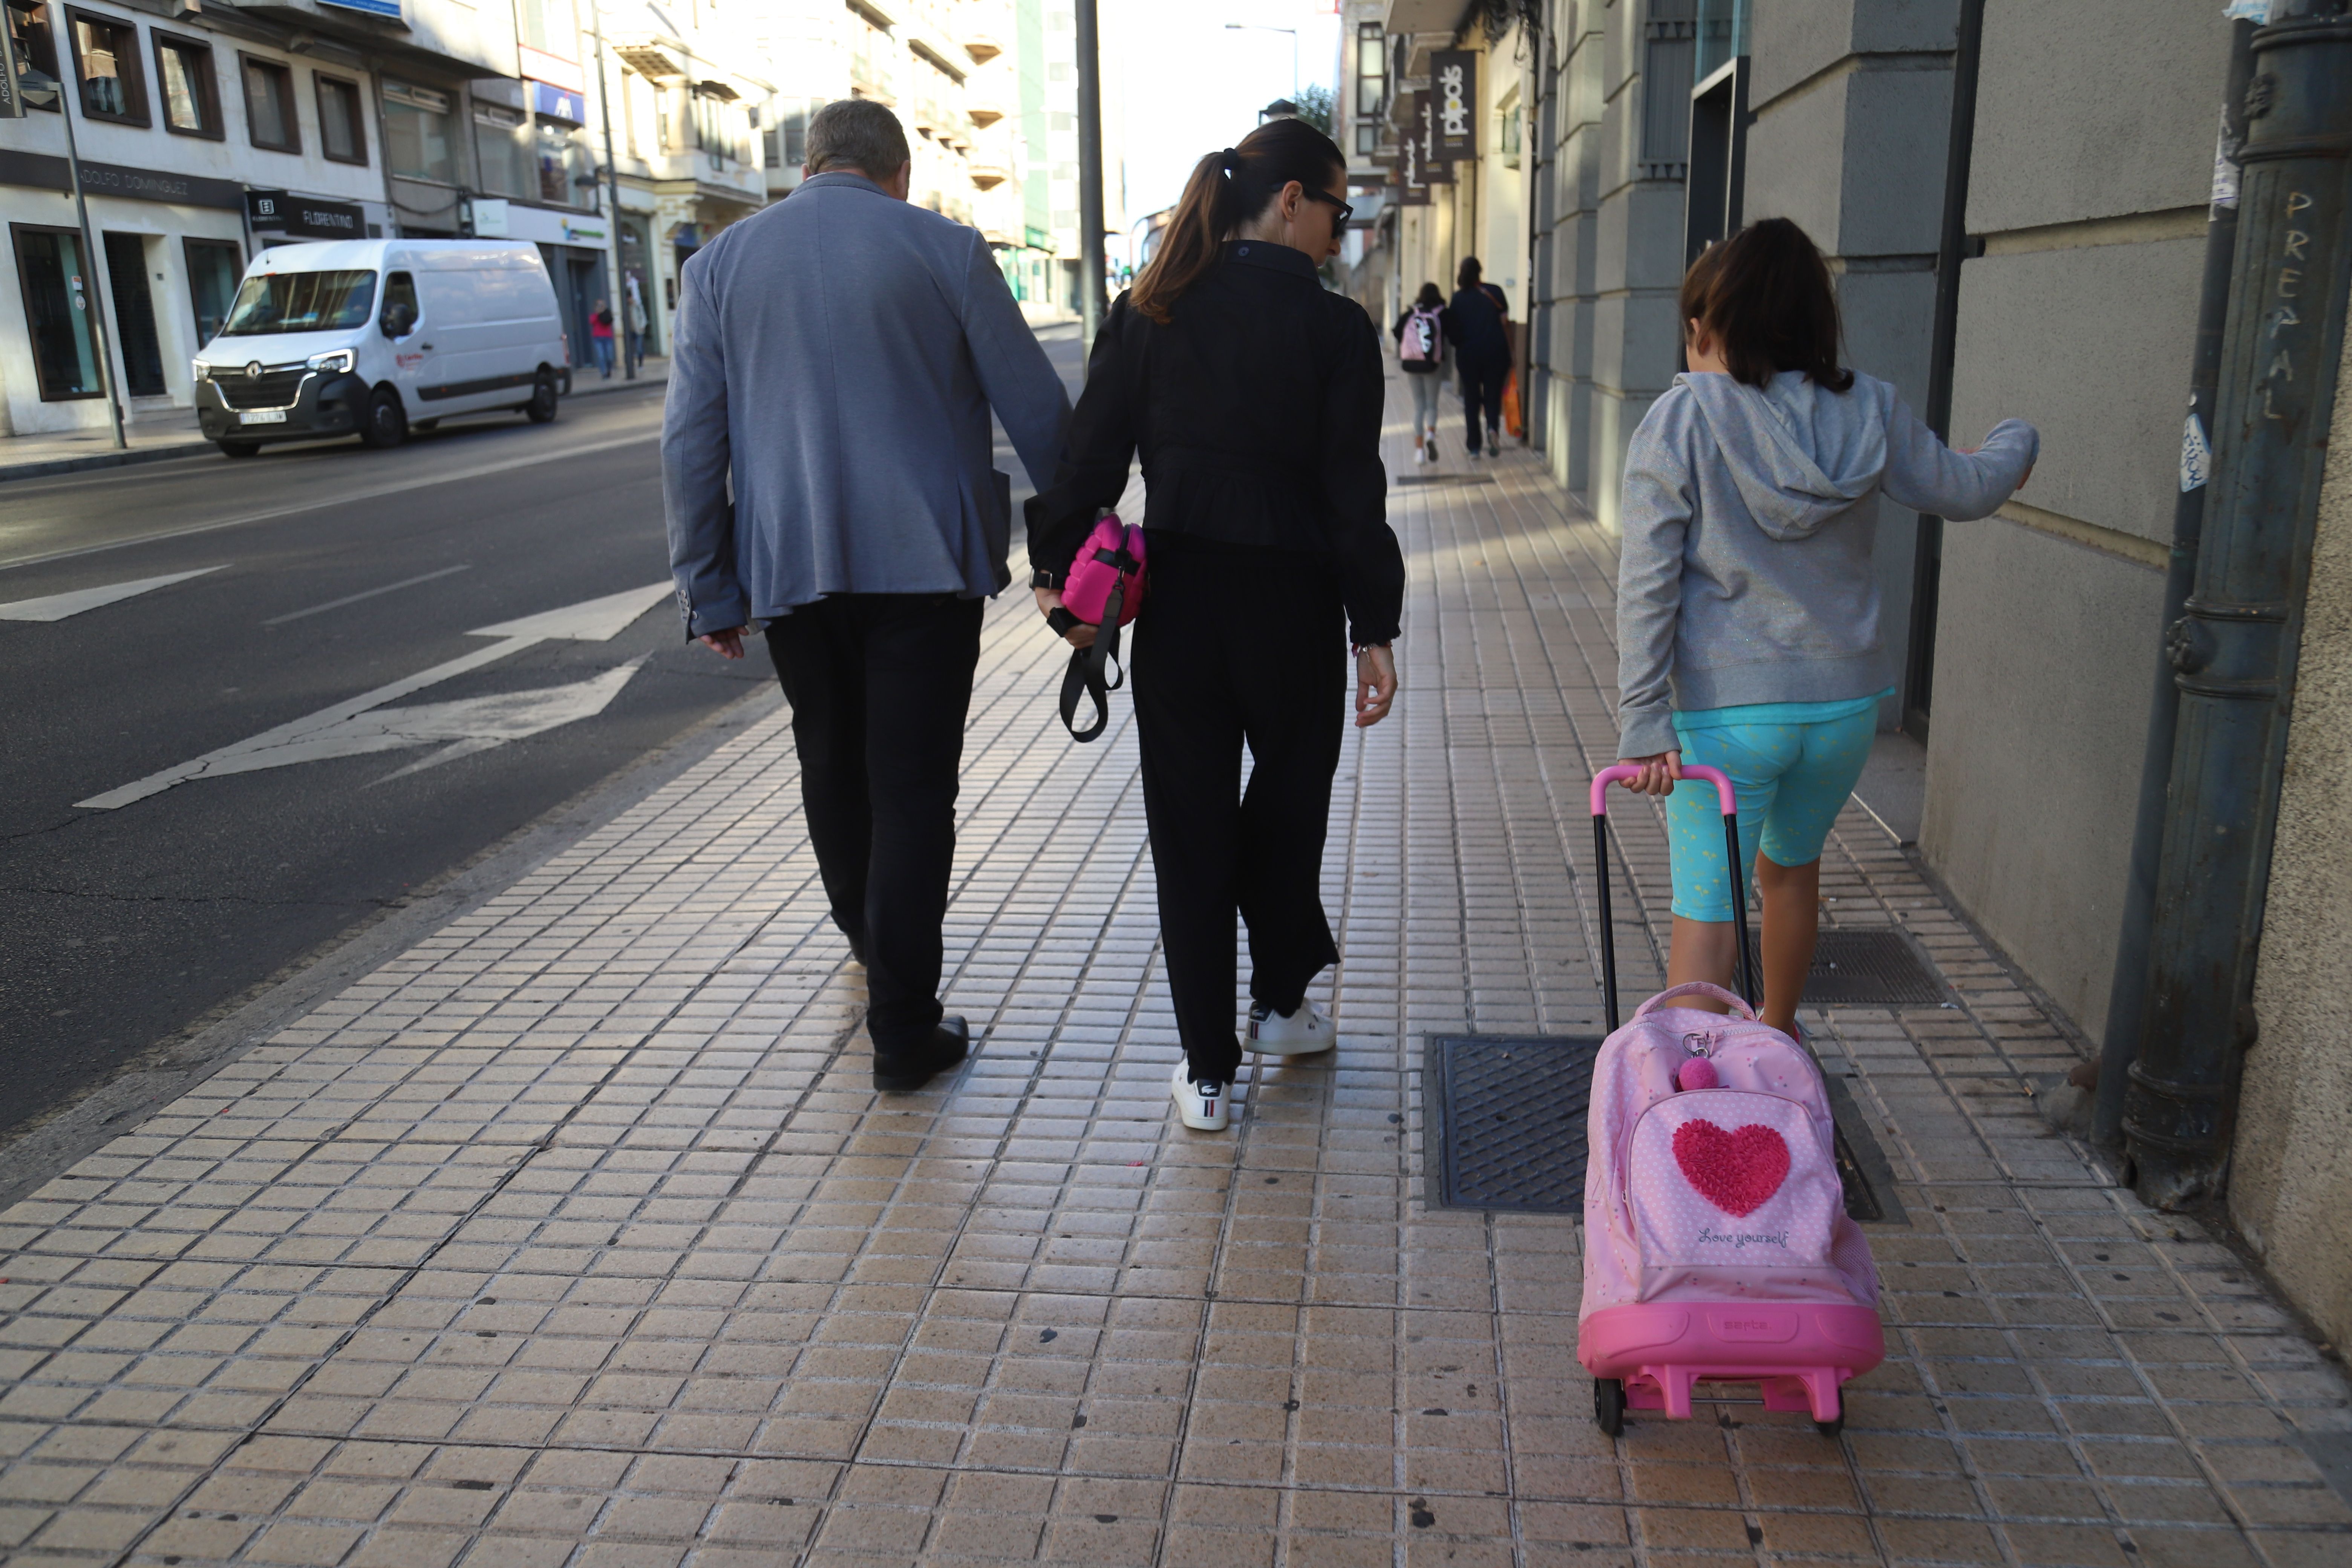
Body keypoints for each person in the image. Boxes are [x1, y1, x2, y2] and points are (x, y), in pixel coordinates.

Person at [665, 99, 1071, 1092]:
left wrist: (710, 587)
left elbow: (690, 440)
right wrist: (1077, 550)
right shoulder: (944, 247)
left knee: (832, 766)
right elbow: (1042, 417)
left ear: (810, 166)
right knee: (914, 789)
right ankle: (902, 1023)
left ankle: (869, 937)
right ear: (898, 174)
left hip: (791, 568)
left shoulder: (718, 266)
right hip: (927, 570)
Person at [1026, 119, 1405, 1135]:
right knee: (1287, 817)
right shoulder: (1334, 332)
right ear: (1291, 201)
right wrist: (1373, 625)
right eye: (1337, 209)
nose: (1341, 229)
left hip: (1183, 608)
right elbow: (1349, 496)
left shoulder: (1148, 315)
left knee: (1189, 836)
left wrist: (1059, 579)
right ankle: (1280, 1006)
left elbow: (1089, 465)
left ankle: (1206, 1072)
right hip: (1292, 613)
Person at [1613, 218, 2037, 1034]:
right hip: (1844, 709)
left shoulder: (1681, 420)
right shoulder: (1870, 409)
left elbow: (1647, 581)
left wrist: (1642, 718)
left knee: (1707, 911)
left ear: (1706, 328)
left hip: (1728, 715)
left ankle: (1696, 1099)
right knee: (1790, 870)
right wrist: (2017, 440)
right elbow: (1972, 487)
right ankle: (1775, 1037)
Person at [1448, 257, 1511, 457]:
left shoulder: (1458, 298)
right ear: (1480, 272)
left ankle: (1474, 447)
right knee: (1493, 394)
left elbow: (1454, 329)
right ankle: (1493, 429)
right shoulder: (1495, 291)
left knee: (1472, 399)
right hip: (1496, 352)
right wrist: (1512, 352)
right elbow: (1505, 323)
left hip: (1469, 355)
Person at [1393, 282, 1452, 463]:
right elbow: (1454, 334)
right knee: (1432, 404)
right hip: (1432, 365)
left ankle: (1419, 452)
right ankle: (1431, 435)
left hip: (1413, 364)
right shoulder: (1442, 312)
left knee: (1419, 407)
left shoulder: (1413, 312)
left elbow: (1397, 331)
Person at [589, 298, 616, 379]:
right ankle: (604, 373)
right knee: (601, 356)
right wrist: (598, 314)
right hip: (598, 339)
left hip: (608, 338)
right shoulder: (594, 316)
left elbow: (609, 321)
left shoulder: (607, 314)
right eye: (598, 305)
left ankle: (609, 370)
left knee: (609, 357)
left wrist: (604, 312)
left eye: (602, 305)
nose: (600, 307)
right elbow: (592, 322)